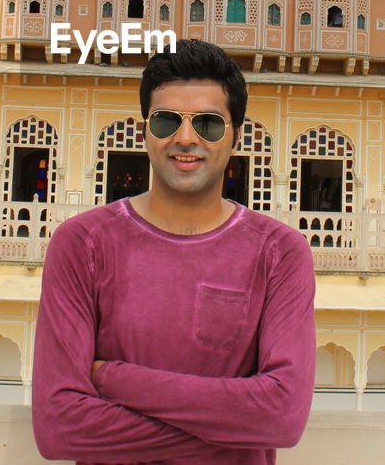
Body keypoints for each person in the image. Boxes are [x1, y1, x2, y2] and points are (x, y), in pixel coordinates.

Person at [33, 39, 316, 464]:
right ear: (144, 130)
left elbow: (282, 416)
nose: (186, 138)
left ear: (235, 136)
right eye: (167, 122)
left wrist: (114, 378)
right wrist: (236, 428)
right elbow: (59, 427)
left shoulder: (278, 253)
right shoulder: (84, 244)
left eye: (208, 124)